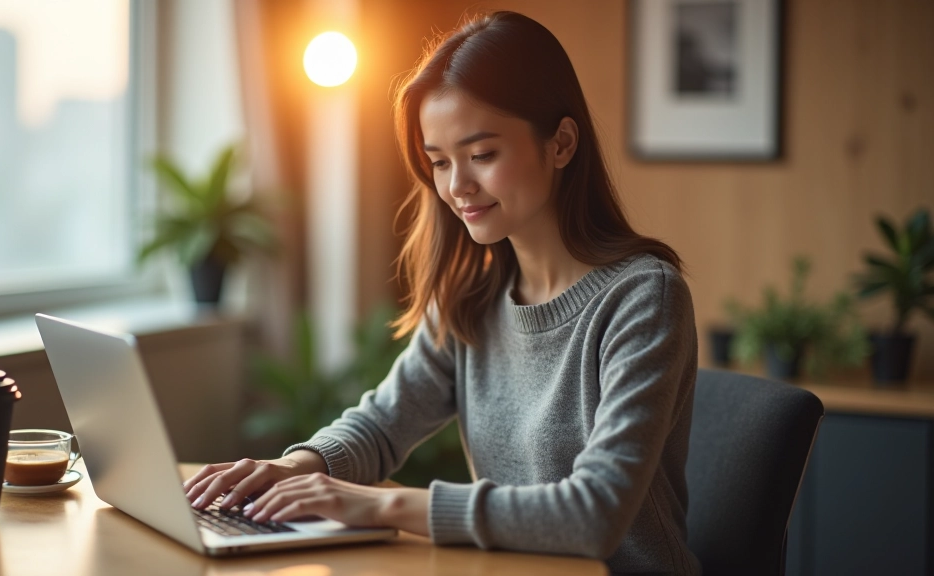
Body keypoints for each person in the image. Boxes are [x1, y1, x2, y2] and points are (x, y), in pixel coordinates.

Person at [184, 10, 700, 575]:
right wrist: (300, 466)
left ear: (561, 143)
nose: (457, 187)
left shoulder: (643, 297)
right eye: (439, 162)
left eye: (482, 155)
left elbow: (595, 513)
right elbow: (384, 424)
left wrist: (382, 504)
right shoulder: (472, 291)